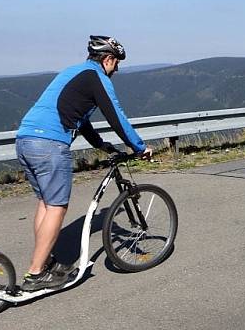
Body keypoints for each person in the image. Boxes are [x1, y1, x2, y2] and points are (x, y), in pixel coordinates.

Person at [15, 35, 152, 291]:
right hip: (49, 146)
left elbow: (79, 117)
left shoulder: (73, 73)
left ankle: (42, 263)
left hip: (25, 141)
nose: (117, 69)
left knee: (46, 203)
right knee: (57, 207)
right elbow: (116, 116)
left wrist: (100, 144)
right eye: (117, 63)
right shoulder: (97, 77)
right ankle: (36, 274)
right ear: (108, 59)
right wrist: (140, 147)